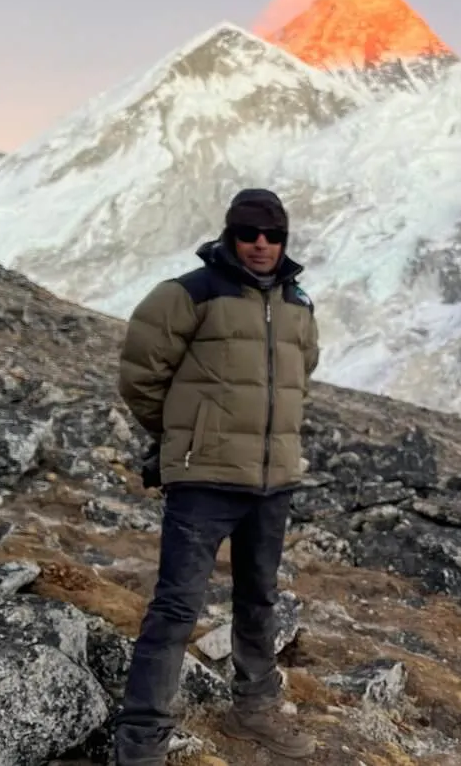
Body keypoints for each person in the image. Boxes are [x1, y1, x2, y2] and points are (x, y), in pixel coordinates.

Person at [112, 188, 320, 764]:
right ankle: (141, 741)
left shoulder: (298, 302)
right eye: (250, 232)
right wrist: (190, 437)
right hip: (203, 482)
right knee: (177, 608)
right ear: (230, 234)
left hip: (273, 482)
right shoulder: (189, 293)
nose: (261, 244)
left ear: (284, 241)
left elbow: (302, 374)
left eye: (272, 235)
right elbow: (139, 374)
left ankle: (254, 710)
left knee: (260, 601)